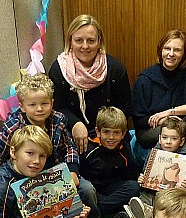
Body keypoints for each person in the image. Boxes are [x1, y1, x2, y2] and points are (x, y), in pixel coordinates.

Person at [0, 73, 111, 218]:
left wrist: (73, 170)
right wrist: (14, 184)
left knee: (86, 189)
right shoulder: (12, 128)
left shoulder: (58, 120)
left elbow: (69, 147)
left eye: (44, 103)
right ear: (22, 106)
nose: (39, 109)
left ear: (52, 103)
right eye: (32, 105)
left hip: (56, 175)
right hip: (26, 179)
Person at [49, 14, 132, 155]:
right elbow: (57, 107)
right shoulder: (59, 70)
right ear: (70, 41)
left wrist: (105, 134)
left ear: (99, 41)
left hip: (110, 135)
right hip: (73, 133)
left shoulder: (115, 69)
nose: (85, 46)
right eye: (79, 40)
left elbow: (125, 108)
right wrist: (75, 123)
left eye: (91, 40)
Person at [131, 29, 186, 151]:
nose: (171, 54)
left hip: (182, 126)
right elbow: (139, 120)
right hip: (152, 131)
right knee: (170, 134)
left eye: (177, 50)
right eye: (167, 48)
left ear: (184, 54)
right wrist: (164, 121)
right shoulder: (145, 78)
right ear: (160, 50)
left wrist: (169, 113)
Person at [78, 106, 140, 218]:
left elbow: (129, 175)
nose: (111, 137)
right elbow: (78, 175)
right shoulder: (88, 148)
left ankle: (99, 209)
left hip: (111, 189)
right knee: (86, 190)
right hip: (91, 190)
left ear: (123, 134)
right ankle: (104, 209)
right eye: (106, 132)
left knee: (134, 187)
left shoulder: (124, 148)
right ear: (98, 132)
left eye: (116, 133)